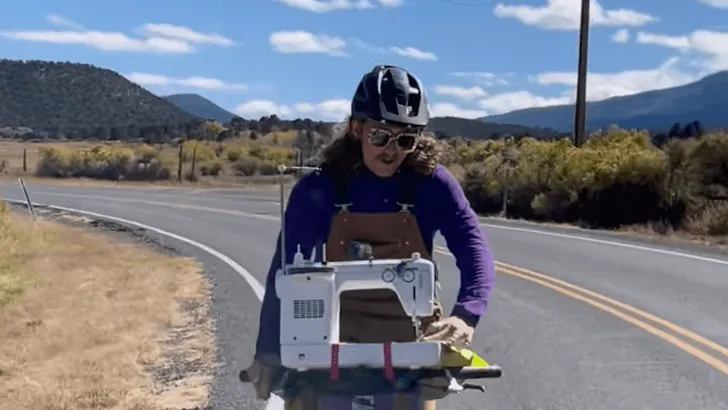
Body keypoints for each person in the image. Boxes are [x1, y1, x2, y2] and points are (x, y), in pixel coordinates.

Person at [245, 64, 496, 410]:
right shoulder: (318, 189)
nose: (392, 151)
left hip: (412, 344)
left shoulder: (433, 185)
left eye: (405, 139)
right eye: (380, 136)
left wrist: (466, 314)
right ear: (356, 128)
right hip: (333, 339)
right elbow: (284, 271)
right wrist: (268, 352)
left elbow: (473, 247)